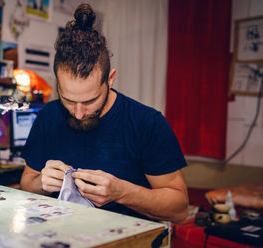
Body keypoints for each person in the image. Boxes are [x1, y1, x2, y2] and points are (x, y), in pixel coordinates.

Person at [20, 4, 188, 223]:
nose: (79, 113)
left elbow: (180, 209)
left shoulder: (147, 123)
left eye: (90, 101)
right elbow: (26, 183)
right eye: (68, 100)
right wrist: (41, 182)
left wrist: (121, 192)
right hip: (56, 244)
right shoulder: (48, 115)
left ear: (110, 80)